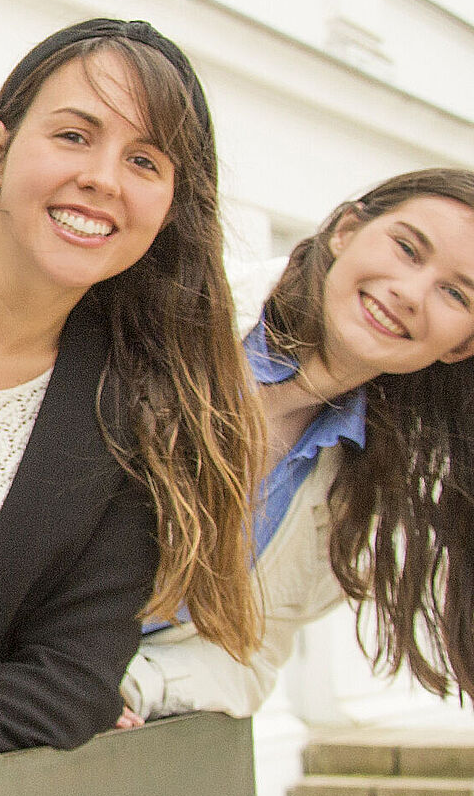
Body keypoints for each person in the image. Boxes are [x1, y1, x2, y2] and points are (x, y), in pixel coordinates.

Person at [0, 18, 264, 762]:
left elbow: (75, 675)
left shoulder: (134, 427)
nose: (103, 178)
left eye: (144, 161)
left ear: (167, 208)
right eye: (74, 136)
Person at [124, 168, 474, 719]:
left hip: (86, 730)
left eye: (455, 293)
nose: (411, 294)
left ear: (461, 346)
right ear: (346, 231)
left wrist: (136, 683)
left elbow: (248, 657)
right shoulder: (176, 313)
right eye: (407, 248)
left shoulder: (362, 496)